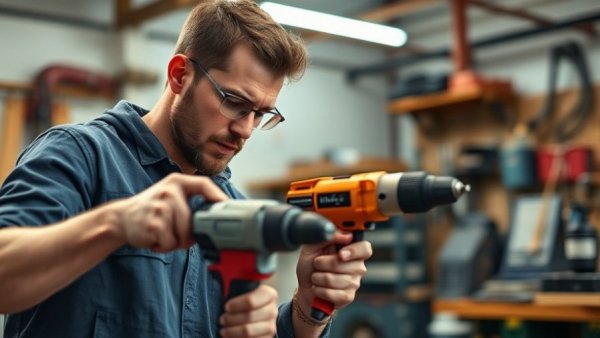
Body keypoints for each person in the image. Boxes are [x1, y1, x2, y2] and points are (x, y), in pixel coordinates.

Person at [0, 1, 373, 337]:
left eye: (261, 115)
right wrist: (114, 224)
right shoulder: (80, 155)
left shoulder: (233, 206)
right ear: (180, 75)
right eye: (235, 102)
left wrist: (305, 311)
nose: (245, 129)